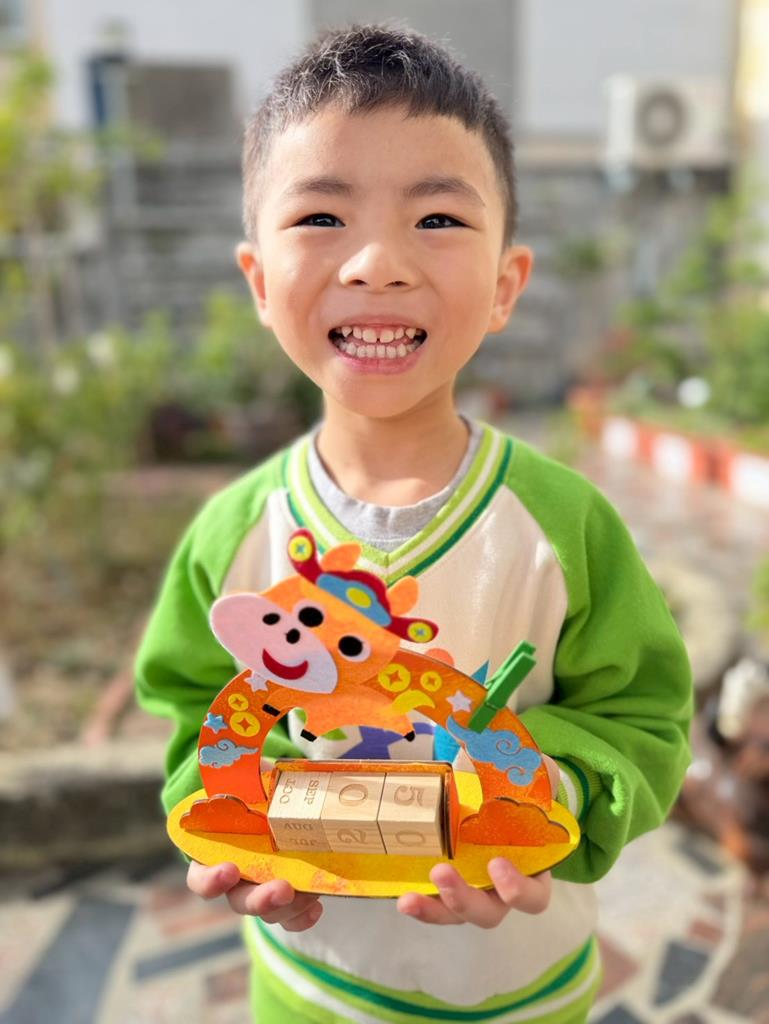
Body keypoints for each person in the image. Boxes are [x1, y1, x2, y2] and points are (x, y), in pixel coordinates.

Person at [135, 23, 692, 1024]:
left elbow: (640, 720)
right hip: (310, 986)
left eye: (437, 217)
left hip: (523, 989)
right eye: (321, 216)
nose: (378, 263)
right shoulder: (233, 533)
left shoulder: (562, 526)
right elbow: (194, 714)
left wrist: (540, 799)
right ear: (258, 281)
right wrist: (241, 826)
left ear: (505, 285)